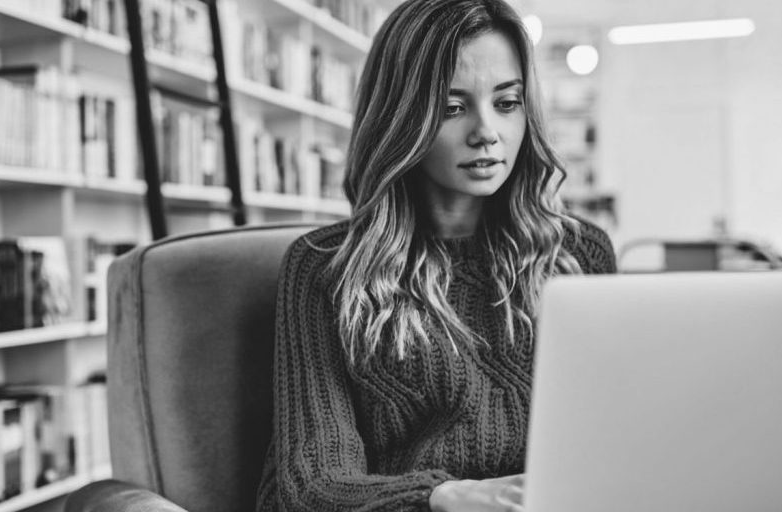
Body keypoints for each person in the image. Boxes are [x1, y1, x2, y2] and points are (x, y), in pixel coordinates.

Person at [255, 0, 617, 510]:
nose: (486, 131)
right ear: (401, 117)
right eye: (453, 107)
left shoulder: (579, 255)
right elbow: (313, 482)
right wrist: (443, 496)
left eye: (507, 103)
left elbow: (615, 439)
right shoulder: (324, 268)